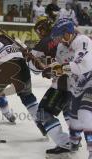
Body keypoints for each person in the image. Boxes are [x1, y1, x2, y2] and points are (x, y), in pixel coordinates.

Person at [30, 17, 76, 156]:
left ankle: (65, 143)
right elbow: (59, 65)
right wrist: (49, 69)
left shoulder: (45, 42)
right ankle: (74, 141)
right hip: (71, 85)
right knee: (69, 112)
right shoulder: (67, 42)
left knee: (43, 113)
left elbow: (35, 69)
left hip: (65, 86)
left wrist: (30, 58)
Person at [48, 18, 92, 159]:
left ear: (68, 32)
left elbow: (80, 66)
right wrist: (52, 69)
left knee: (85, 114)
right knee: (74, 118)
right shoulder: (63, 46)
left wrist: (62, 68)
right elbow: (59, 66)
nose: (59, 39)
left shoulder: (82, 40)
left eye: (61, 35)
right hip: (77, 85)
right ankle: (73, 143)